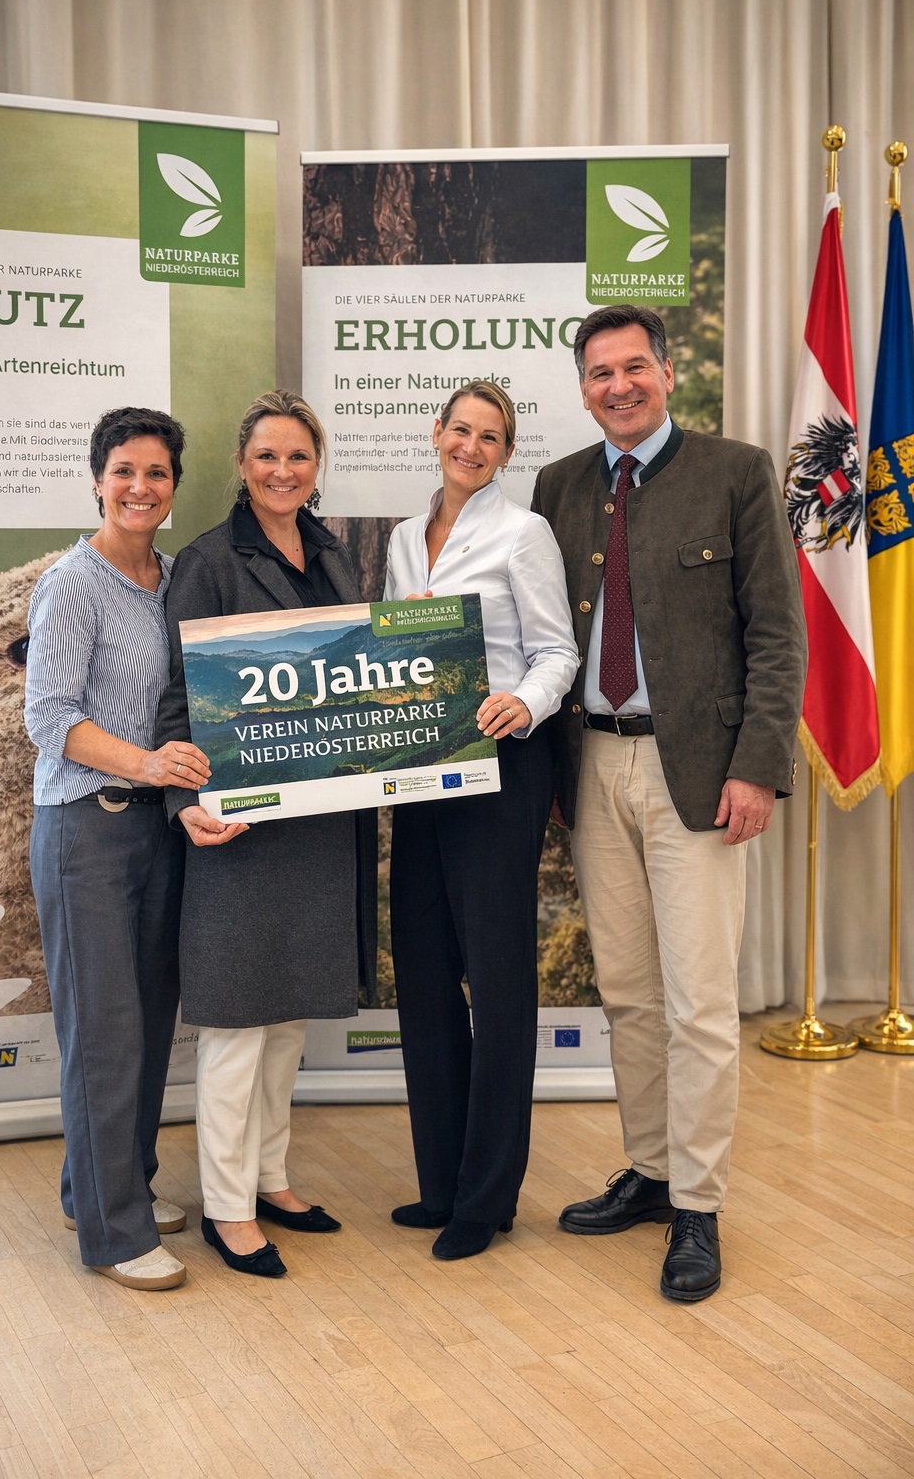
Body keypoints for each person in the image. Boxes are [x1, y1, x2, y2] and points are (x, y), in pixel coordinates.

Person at [532, 305, 807, 1302]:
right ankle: (649, 1171)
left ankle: (697, 1202)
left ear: (666, 370)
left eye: (633, 367)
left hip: (700, 772)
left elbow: (777, 634)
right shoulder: (558, 486)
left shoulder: (735, 473)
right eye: (600, 373)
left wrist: (756, 767)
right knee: (630, 994)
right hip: (591, 767)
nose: (619, 386)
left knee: (698, 1003)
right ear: (582, 389)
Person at [156, 389, 377, 1279]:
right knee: (238, 1025)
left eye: (298, 456)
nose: (283, 471)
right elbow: (176, 695)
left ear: (317, 466)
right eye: (267, 457)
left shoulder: (334, 554)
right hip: (239, 824)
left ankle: (271, 1177)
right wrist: (184, 803)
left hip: (320, 822)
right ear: (242, 467)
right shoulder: (207, 561)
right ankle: (227, 1207)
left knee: (287, 1021)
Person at [384, 380, 578, 1260]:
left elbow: (556, 651)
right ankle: (441, 1185)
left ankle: (487, 1197)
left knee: (497, 982)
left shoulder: (523, 532)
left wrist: (524, 704)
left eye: (489, 437)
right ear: (437, 433)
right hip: (423, 769)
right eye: (460, 430)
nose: (471, 446)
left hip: (502, 768)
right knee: (424, 972)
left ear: (506, 452)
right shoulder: (403, 538)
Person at [26, 406, 212, 1291]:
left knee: (142, 1025)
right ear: (98, 480)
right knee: (102, 1033)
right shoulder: (73, 583)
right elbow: (49, 717)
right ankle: (114, 1234)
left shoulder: (172, 580)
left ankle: (106, 1186)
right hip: (86, 829)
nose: (141, 487)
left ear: (175, 486)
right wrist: (146, 763)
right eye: (125, 471)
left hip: (155, 827)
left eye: (157, 473)